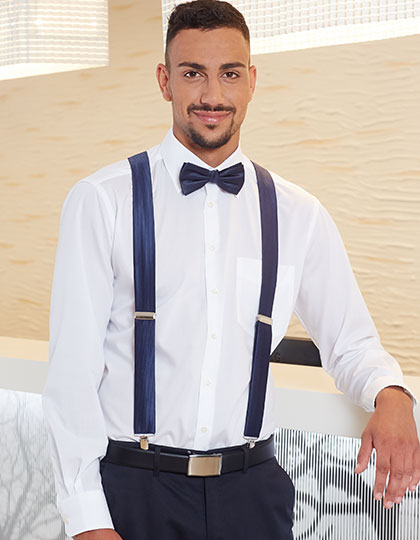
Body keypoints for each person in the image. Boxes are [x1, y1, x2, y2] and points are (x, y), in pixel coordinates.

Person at [42, 1, 420, 539]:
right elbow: (71, 377)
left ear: (251, 82)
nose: (212, 95)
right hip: (134, 490)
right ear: (165, 81)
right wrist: (86, 520)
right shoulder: (102, 200)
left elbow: (351, 343)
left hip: (253, 492)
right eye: (192, 73)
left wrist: (393, 394)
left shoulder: (298, 213)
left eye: (230, 73)